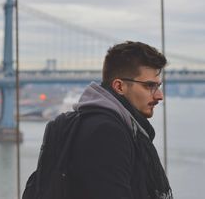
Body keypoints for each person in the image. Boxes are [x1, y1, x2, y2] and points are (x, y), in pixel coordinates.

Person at [68, 41, 173, 199]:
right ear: (119, 87)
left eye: (158, 86)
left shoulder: (118, 126)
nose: (159, 96)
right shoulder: (106, 133)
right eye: (149, 86)